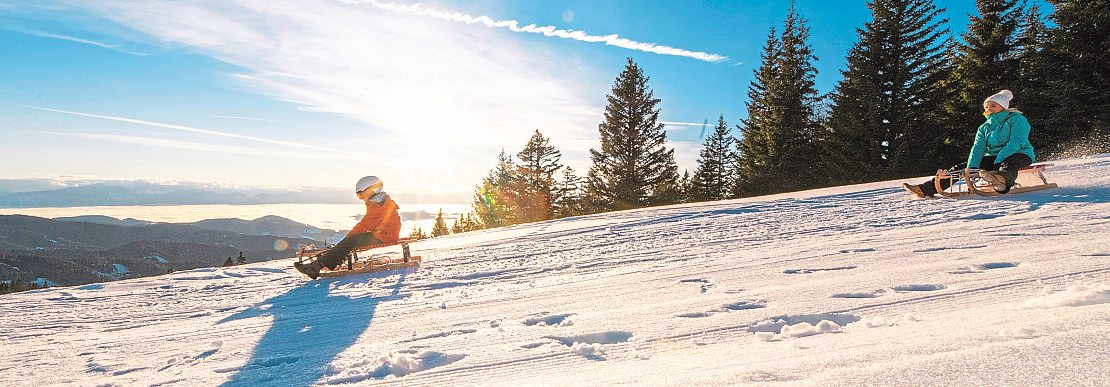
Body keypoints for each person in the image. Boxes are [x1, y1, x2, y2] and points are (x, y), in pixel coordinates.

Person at [903, 90, 1035, 197]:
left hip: (1020, 153)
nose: (989, 109)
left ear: (1003, 106)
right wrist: (971, 168)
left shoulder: (1017, 119)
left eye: (993, 106)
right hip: (995, 157)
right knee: (959, 168)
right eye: (987, 106)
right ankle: (925, 189)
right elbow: (978, 148)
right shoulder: (984, 127)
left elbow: (1017, 141)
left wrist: (1000, 159)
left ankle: (1002, 181)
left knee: (1008, 164)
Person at [295, 176, 402, 279]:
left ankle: (316, 267)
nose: (362, 198)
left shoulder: (377, 205)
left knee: (351, 241)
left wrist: (348, 238)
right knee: (351, 241)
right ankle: (326, 262)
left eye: (362, 195)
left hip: (384, 236)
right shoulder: (379, 201)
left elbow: (364, 225)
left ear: (372, 190)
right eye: (359, 196)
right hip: (383, 234)